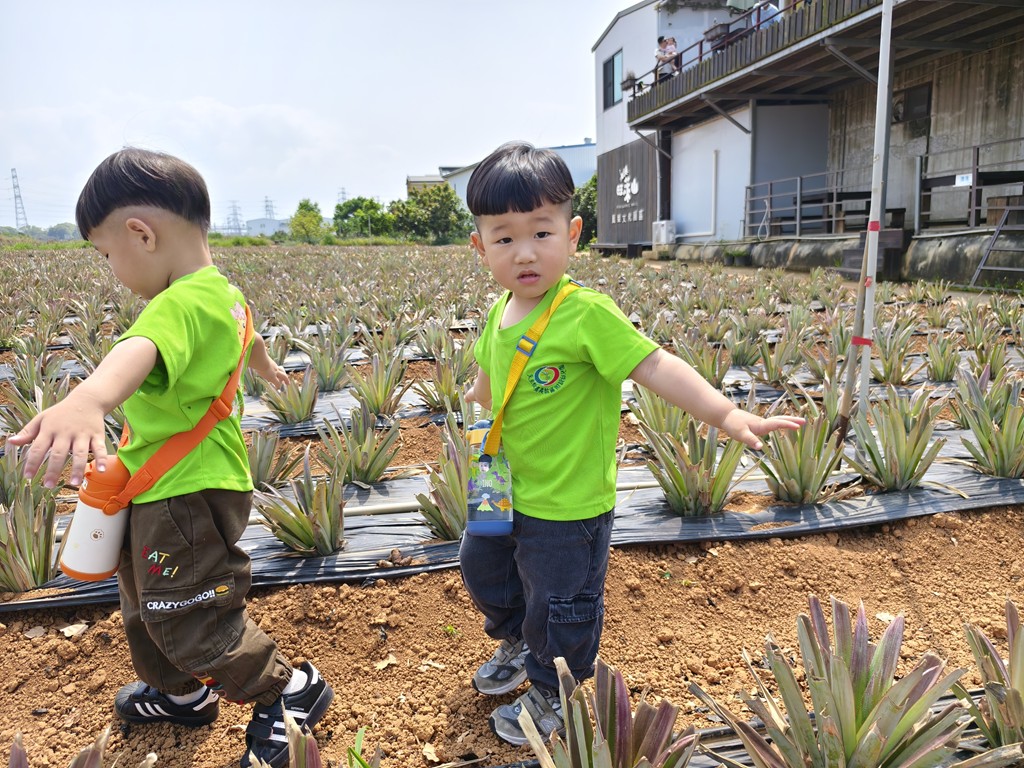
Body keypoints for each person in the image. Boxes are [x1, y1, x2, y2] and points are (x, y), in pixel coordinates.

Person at [461, 141, 805, 746]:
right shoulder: (498, 313)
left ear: (572, 235)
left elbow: (654, 366)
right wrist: (478, 395)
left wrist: (725, 413)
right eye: (505, 237)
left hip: (567, 502)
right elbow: (493, 374)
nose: (525, 252)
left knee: (561, 601)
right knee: (483, 566)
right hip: (503, 483)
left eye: (541, 232)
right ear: (480, 247)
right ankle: (516, 642)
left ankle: (554, 688)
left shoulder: (585, 314)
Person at [7, 148, 334, 768]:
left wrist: (88, 398)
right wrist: (266, 368)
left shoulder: (177, 303)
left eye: (106, 254)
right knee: (146, 598)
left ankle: (287, 690)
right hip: (172, 484)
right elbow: (248, 336)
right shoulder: (223, 295)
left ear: (142, 233)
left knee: (186, 609)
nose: (111, 269)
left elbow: (141, 348)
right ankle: (181, 693)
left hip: (182, 491)